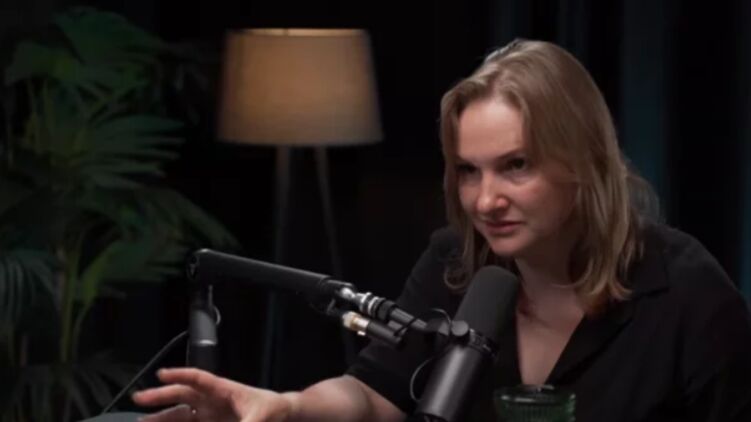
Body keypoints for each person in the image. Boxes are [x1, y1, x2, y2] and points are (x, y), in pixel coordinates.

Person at [132, 39, 751, 421]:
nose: (486, 200)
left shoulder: (685, 289)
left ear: (583, 162)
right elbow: (373, 396)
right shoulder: (455, 261)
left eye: (516, 165)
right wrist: (284, 408)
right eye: (468, 171)